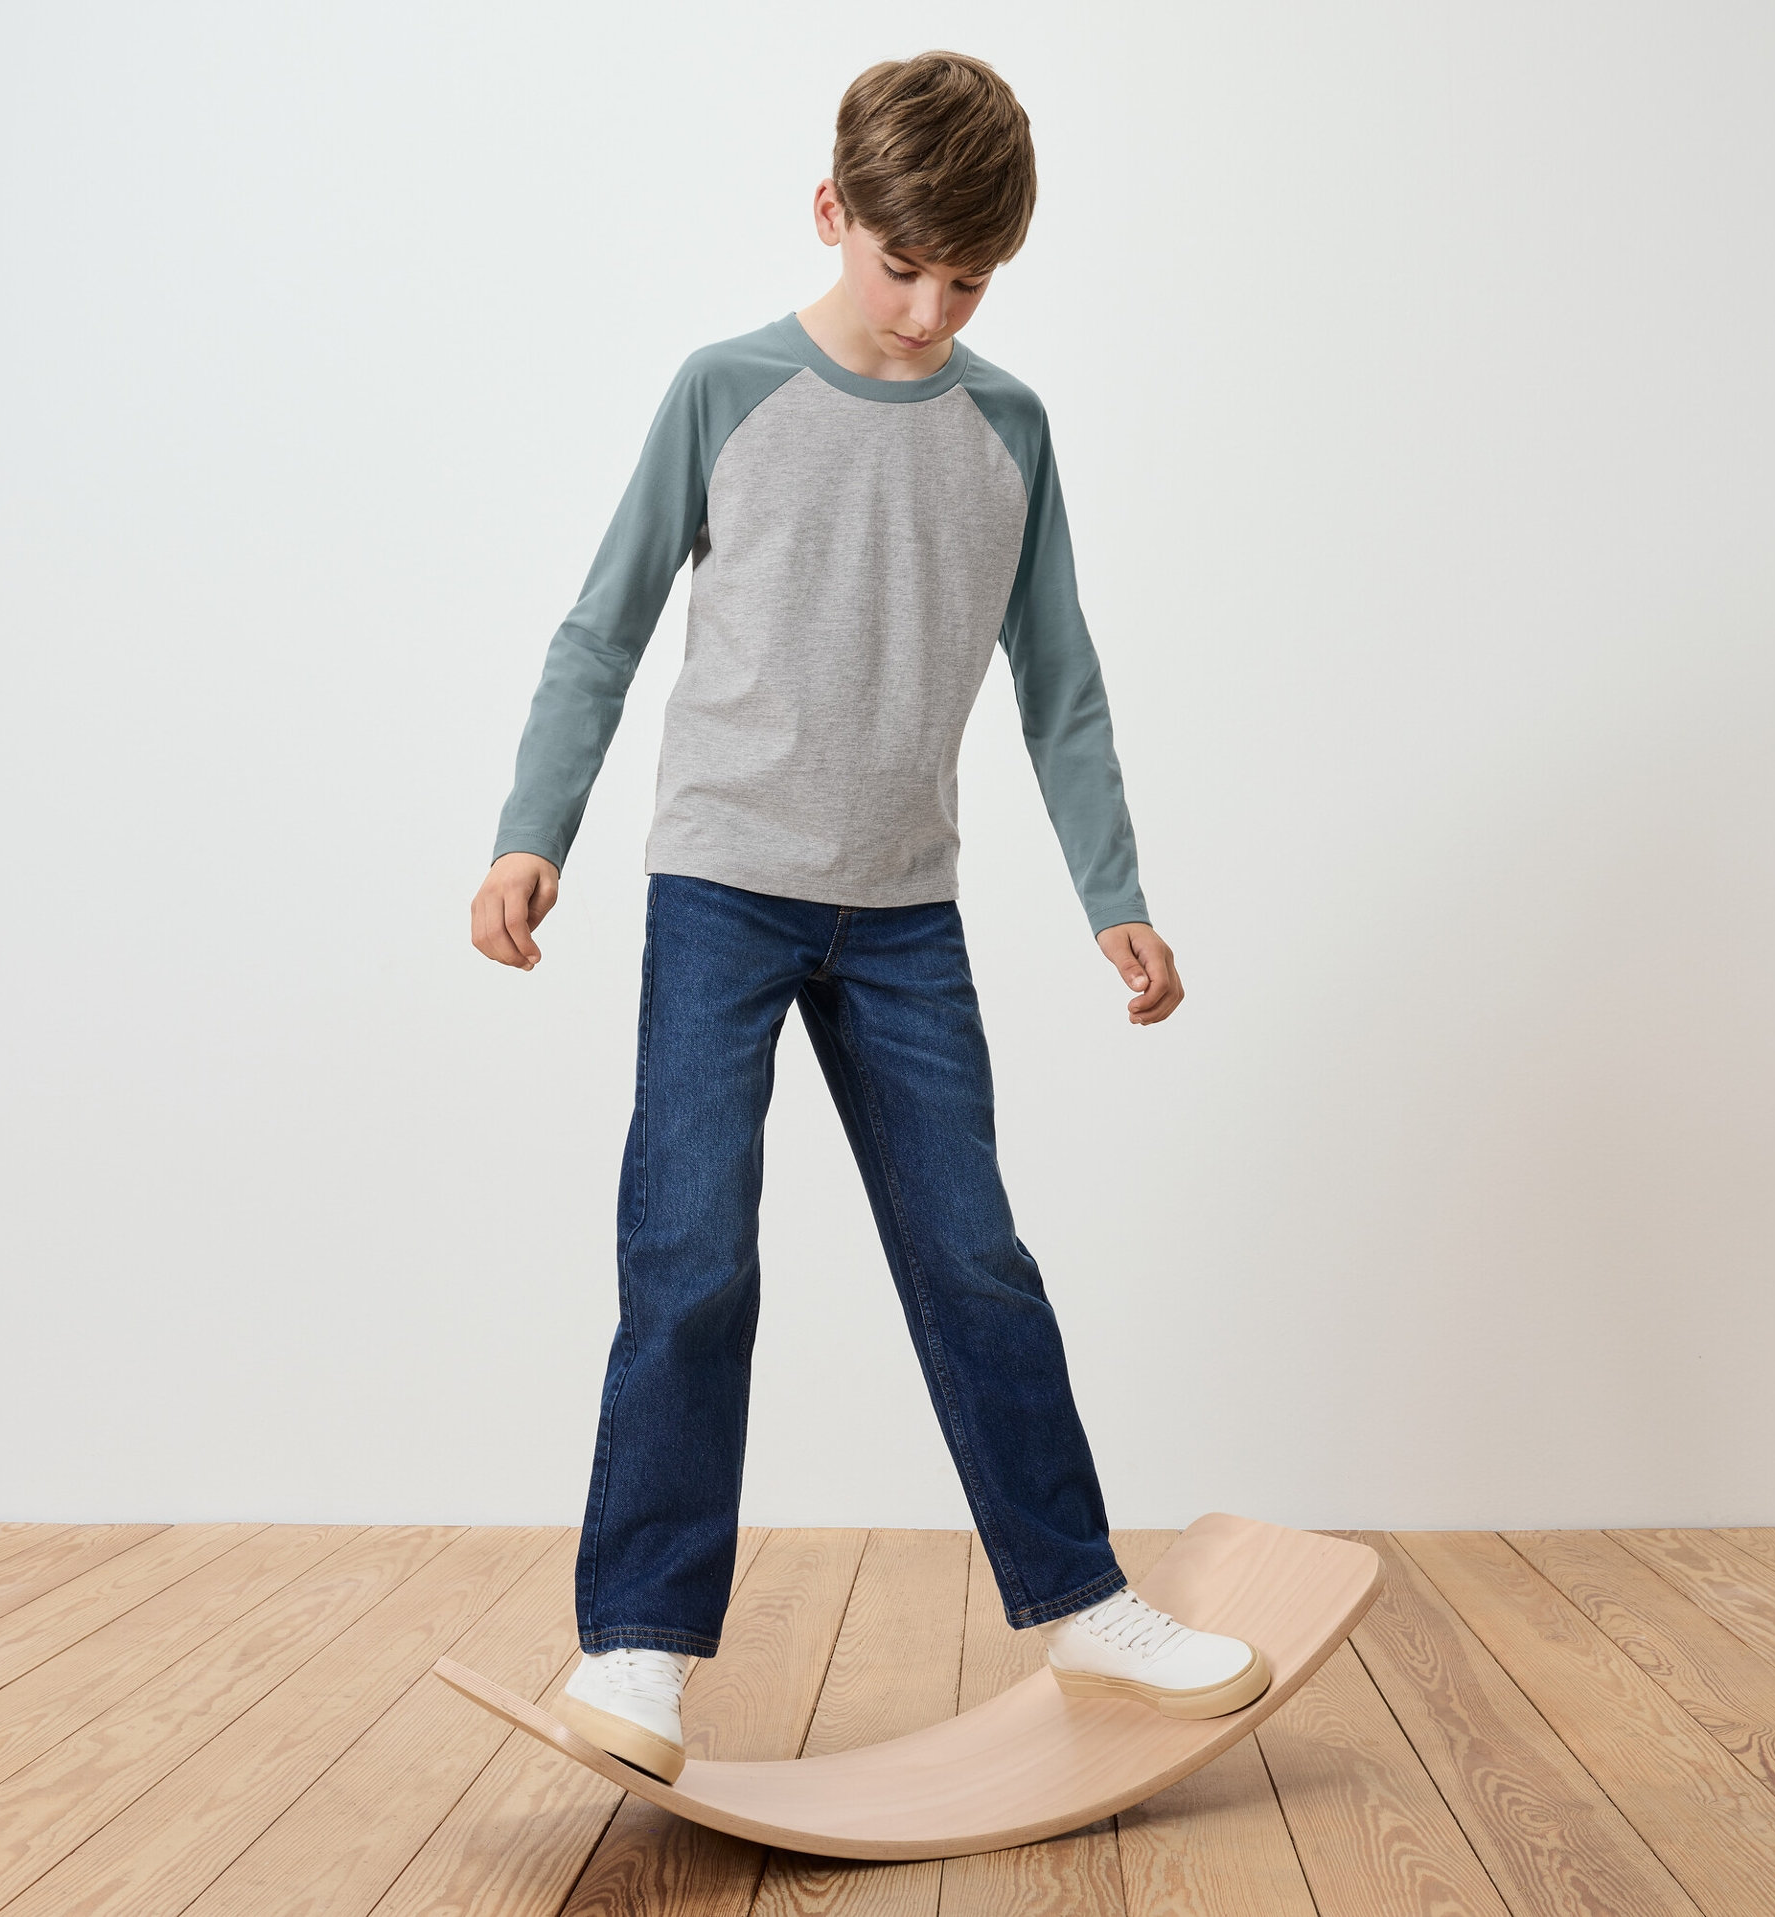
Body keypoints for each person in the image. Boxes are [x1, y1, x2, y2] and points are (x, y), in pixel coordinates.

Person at [470, 50, 1267, 1785]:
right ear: (830, 214)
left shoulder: (1010, 431)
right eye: (901, 264)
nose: (926, 309)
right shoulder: (723, 390)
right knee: (689, 1259)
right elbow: (600, 630)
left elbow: (1058, 684)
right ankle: (637, 1645)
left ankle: (1081, 1599)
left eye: (965, 281)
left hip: (902, 911)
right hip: (719, 891)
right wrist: (537, 832)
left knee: (973, 1256)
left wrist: (1112, 897)